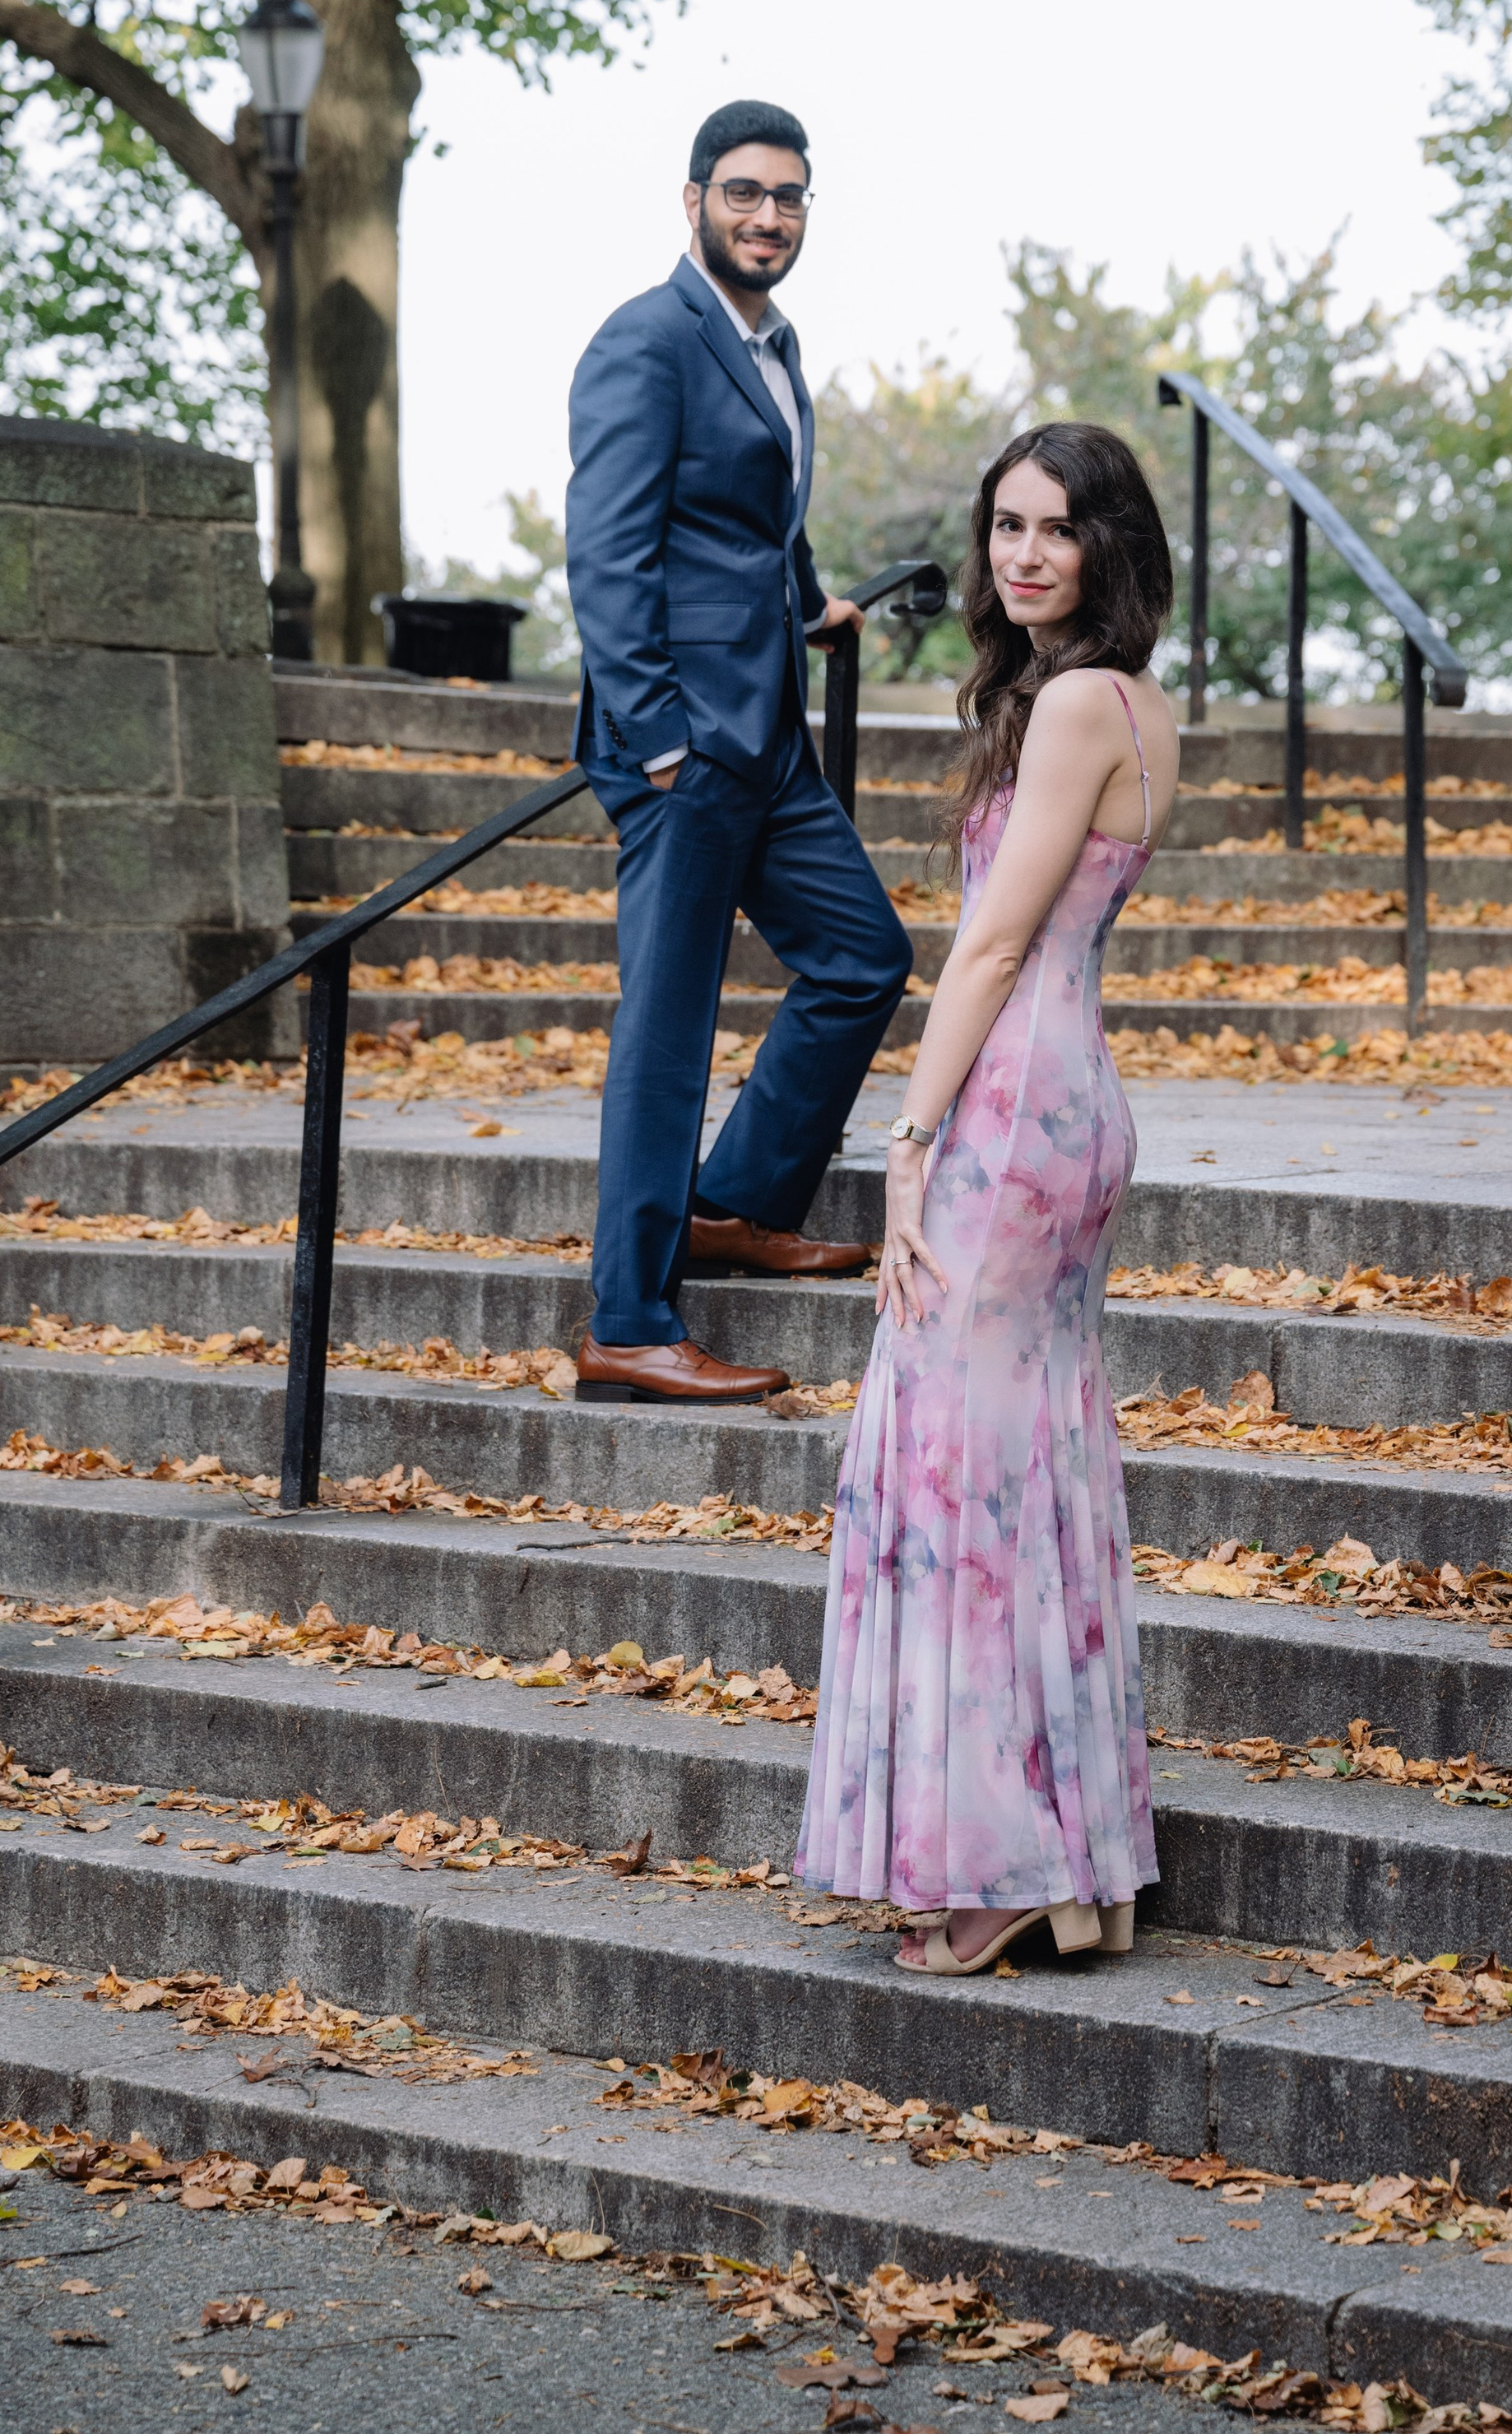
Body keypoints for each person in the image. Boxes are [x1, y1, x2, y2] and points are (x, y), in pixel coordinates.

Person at [794, 420, 1179, 1970]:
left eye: (1055, 529)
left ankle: (1002, 1860)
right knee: (1029, 1475)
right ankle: (1064, 1861)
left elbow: (996, 945)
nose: (1022, 553)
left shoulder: (1079, 700)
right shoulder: (1138, 705)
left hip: (1013, 1110)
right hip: (1076, 1101)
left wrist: (909, 1134)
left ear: (1109, 546)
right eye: (1005, 525)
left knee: (955, 1482)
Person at [564, 100, 915, 1405]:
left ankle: (735, 1200)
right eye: (746, 193)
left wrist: (810, 599)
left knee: (864, 953)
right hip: (683, 745)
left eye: (790, 198)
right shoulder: (646, 339)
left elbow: (755, 518)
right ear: (695, 197)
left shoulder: (774, 344)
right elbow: (607, 552)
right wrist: (656, 741)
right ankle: (628, 1320)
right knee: (667, 1029)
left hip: (768, 734)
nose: (769, 216)